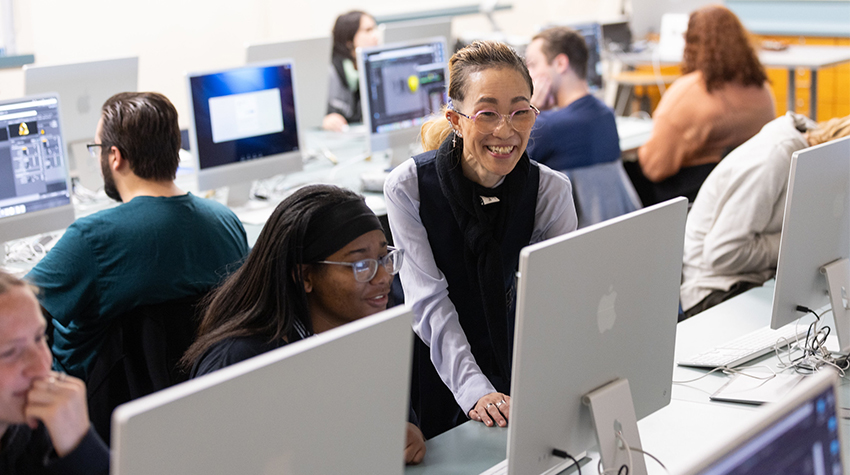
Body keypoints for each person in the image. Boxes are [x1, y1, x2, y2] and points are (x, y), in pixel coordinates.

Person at [384, 40, 578, 438]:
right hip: (439, 370)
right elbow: (428, 301)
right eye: (487, 113)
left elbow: (557, 300)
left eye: (520, 112)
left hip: (518, 364)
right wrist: (476, 391)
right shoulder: (409, 187)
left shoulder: (550, 191)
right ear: (455, 118)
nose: (505, 130)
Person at [182, 184, 426, 465]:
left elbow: (394, 425)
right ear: (305, 276)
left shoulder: (373, 331)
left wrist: (409, 437)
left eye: (384, 258)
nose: (383, 276)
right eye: (361, 265)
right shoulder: (239, 363)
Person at [26, 92, 249, 381]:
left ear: (115, 157)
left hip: (92, 404)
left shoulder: (92, 239)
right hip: (197, 393)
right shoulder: (226, 223)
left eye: (98, 149)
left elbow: (14, 306)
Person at [681, 113, 850, 318]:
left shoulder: (819, 146)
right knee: (815, 326)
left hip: (762, 278)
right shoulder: (775, 159)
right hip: (716, 289)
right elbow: (722, 253)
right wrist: (795, 242)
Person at [632, 5, 776, 206]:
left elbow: (654, 168)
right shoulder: (761, 89)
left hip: (690, 202)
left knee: (628, 171)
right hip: (743, 198)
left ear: (690, 44)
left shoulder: (689, 92)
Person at [525, 26, 639, 227]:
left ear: (560, 63)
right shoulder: (606, 115)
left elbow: (506, 174)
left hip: (567, 243)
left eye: (532, 65)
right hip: (613, 238)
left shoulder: (546, 126)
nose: (528, 75)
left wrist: (529, 112)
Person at [0, 272, 108, 474]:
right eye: (9, 352)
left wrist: (80, 446)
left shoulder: (37, 422)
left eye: (39, 337)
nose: (41, 366)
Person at [323, 10, 379, 132]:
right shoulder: (329, 72)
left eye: (374, 29)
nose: (375, 36)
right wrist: (324, 120)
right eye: (368, 30)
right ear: (349, 40)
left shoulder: (375, 68)